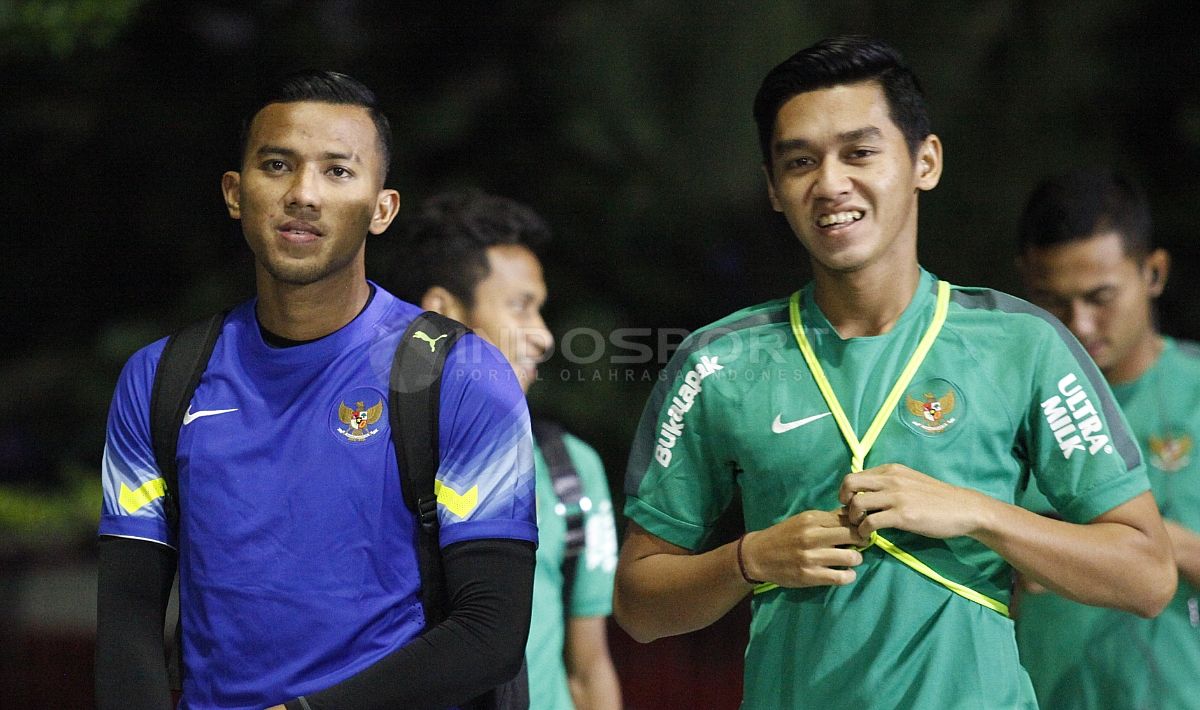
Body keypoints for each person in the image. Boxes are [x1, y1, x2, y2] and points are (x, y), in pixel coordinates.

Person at [612, 35, 1177, 709]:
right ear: (773, 187)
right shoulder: (719, 361)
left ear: (925, 161)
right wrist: (750, 559)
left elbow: (1147, 576)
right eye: (800, 162)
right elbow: (639, 604)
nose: (829, 183)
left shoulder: (1023, 344)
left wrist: (976, 513)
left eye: (859, 152)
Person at [94, 71, 538, 710]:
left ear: (382, 208)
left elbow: (488, 635)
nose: (302, 194)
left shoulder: (460, 375)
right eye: (277, 165)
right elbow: (128, 625)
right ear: (235, 192)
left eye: (337, 171)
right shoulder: (160, 377)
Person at [385, 189, 622, 710]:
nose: (542, 336)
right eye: (520, 307)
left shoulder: (570, 469)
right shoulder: (363, 456)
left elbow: (588, 669)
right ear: (442, 313)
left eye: (541, 310)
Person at [1015, 169, 1200, 710]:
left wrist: (1116, 542)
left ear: (1154, 272)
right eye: (1052, 301)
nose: (1080, 324)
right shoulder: (1009, 411)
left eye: (1101, 297)